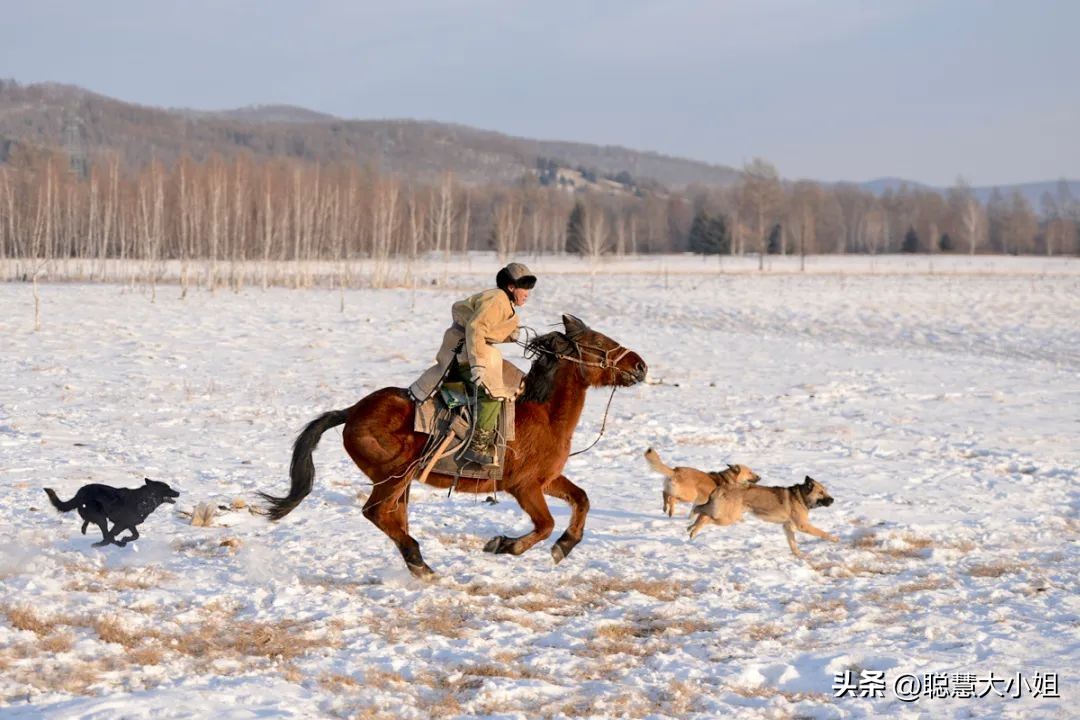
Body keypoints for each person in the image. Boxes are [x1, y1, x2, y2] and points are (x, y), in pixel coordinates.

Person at [408, 262, 537, 466]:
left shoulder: (505, 302)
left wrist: (508, 335)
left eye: (530, 288)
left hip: (471, 350)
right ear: (511, 287)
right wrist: (477, 364)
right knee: (493, 394)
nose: (528, 293)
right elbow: (476, 328)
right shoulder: (497, 299)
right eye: (525, 287)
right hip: (465, 353)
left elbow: (486, 330)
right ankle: (477, 446)